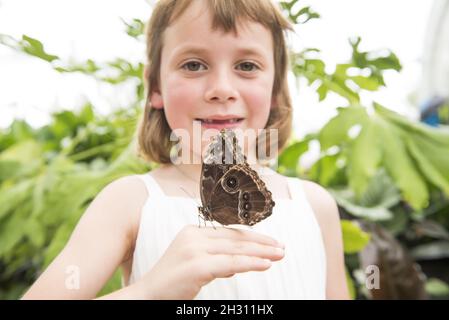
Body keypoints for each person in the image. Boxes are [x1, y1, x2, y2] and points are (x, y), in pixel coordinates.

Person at [22, 0, 349, 300]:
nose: (221, 89)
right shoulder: (130, 202)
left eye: (247, 66)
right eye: (193, 65)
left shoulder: (314, 206)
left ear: (276, 88)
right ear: (155, 87)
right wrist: (149, 292)